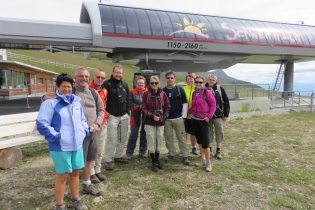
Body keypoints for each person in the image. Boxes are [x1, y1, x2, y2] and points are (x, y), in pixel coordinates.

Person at [42, 68, 104, 197]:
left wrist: (97, 124)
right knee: (74, 165)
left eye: (86, 76)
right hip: (76, 135)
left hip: (92, 132)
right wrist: (43, 97)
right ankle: (72, 191)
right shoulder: (70, 91)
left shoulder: (93, 92)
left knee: (89, 160)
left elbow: (101, 109)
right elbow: (52, 99)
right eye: (81, 76)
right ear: (75, 78)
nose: (84, 79)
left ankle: (87, 184)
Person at [37, 73, 88, 210]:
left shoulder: (76, 102)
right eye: (64, 86)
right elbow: (42, 123)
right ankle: (60, 206)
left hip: (76, 144)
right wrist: (57, 137)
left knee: (76, 173)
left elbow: (82, 120)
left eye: (69, 86)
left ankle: (75, 199)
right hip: (60, 146)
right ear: (57, 87)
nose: (67, 89)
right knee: (63, 175)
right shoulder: (50, 103)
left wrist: (84, 131)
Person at [102, 64, 130, 170]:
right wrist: (105, 112)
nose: (118, 74)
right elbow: (102, 99)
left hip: (124, 116)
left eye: (120, 73)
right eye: (117, 72)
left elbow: (128, 99)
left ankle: (118, 156)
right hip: (112, 116)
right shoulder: (106, 84)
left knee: (122, 137)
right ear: (113, 72)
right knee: (112, 138)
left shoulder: (125, 84)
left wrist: (127, 111)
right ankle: (108, 160)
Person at [142, 76, 170, 172]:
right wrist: (151, 116)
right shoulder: (146, 94)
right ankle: (153, 162)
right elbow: (144, 109)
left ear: (159, 83)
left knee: (159, 140)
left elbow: (167, 107)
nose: (154, 85)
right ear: (149, 84)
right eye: (152, 83)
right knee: (151, 141)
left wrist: (164, 117)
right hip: (149, 122)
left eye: (156, 83)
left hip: (160, 121)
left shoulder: (163, 94)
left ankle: (157, 160)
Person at [188, 76, 216, 172]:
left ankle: (208, 162)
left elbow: (213, 104)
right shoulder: (194, 93)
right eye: (197, 82)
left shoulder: (207, 92)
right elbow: (193, 107)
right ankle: (202, 159)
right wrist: (185, 113)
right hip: (195, 119)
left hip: (203, 120)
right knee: (199, 141)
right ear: (194, 82)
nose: (198, 84)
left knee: (205, 142)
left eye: (200, 82)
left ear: (203, 83)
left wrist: (209, 117)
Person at [162, 70, 190, 165]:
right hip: (167, 119)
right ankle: (171, 153)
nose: (170, 79)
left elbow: (185, 103)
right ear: (165, 79)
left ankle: (185, 155)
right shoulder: (162, 91)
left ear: (175, 79)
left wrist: (184, 116)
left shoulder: (179, 89)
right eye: (168, 78)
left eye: (172, 78)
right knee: (168, 138)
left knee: (181, 137)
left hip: (178, 118)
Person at [89, 69, 108, 183]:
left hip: (103, 123)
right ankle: (90, 172)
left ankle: (98, 170)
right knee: (92, 149)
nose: (100, 79)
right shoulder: (88, 89)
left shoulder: (105, 91)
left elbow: (104, 106)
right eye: (98, 77)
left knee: (100, 149)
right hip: (91, 124)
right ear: (94, 77)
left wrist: (106, 114)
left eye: (102, 78)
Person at [205, 74, 230, 159]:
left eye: (213, 80)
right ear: (207, 80)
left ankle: (218, 150)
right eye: (210, 79)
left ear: (216, 81)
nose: (211, 81)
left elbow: (226, 101)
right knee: (209, 132)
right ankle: (210, 149)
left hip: (218, 115)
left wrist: (226, 114)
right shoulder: (204, 88)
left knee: (219, 131)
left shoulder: (219, 88)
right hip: (207, 115)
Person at [126, 76, 148, 160]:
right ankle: (129, 152)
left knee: (144, 134)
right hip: (135, 117)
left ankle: (143, 151)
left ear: (144, 84)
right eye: (139, 83)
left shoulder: (147, 92)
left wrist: (145, 107)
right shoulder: (132, 92)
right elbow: (130, 104)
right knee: (133, 135)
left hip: (145, 117)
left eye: (142, 83)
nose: (140, 84)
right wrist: (138, 107)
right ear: (136, 83)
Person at [183, 73, 198, 155]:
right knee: (184, 132)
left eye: (192, 79)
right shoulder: (184, 89)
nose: (190, 80)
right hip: (185, 115)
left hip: (194, 115)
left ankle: (194, 147)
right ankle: (184, 147)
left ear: (194, 80)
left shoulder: (197, 89)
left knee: (193, 133)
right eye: (188, 79)